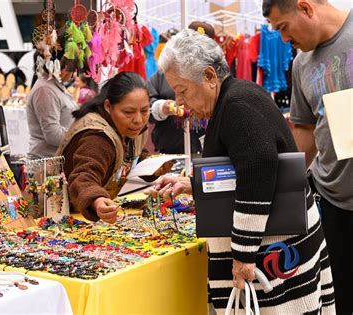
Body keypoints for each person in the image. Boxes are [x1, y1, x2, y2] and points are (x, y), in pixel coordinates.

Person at [152, 29, 335, 313]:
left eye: (183, 90)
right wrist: (192, 183)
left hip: (273, 249)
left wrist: (244, 254)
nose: (180, 101)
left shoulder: (237, 104)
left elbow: (258, 168)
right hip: (280, 242)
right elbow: (236, 169)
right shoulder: (235, 98)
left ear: (210, 77)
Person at [263, 1, 352, 313]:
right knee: (340, 299)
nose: (284, 39)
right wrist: (275, 183)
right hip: (335, 204)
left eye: (283, 27)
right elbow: (304, 132)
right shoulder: (301, 63)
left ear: (305, 7)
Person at [56, 72, 153, 223]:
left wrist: (154, 168)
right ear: (108, 106)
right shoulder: (97, 137)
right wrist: (97, 200)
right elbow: (83, 176)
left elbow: (133, 154)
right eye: (128, 112)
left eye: (145, 111)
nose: (138, 120)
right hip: (71, 218)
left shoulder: (127, 128)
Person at [149, 21, 215, 155]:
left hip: (207, 149)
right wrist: (162, 107)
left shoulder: (215, 76)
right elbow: (146, 105)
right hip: (169, 149)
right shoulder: (165, 72)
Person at [26, 49, 78, 159]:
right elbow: (53, 135)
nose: (71, 72)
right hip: (47, 164)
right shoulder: (45, 90)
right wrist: (81, 134)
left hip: (57, 160)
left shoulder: (55, 85)